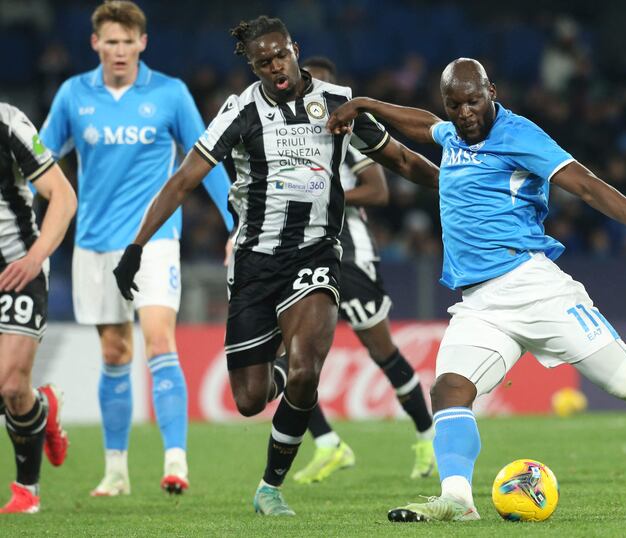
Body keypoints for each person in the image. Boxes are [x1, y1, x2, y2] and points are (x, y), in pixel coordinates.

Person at [327, 58, 626, 522]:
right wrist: (364, 104)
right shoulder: (453, 135)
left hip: (534, 287)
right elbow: (426, 128)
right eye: (455, 104)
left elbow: (586, 186)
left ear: (492, 92)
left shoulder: (518, 135)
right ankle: (458, 500)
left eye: (473, 101)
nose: (464, 112)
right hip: (479, 303)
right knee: (449, 390)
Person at [112, 16, 438, 516]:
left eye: (280, 56)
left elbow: (401, 161)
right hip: (255, 261)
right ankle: (283, 375)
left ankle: (270, 487)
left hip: (317, 254)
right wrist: (136, 246)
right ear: (253, 65)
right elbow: (183, 180)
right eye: (263, 63)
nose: (275, 68)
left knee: (309, 369)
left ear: (294, 49)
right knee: (250, 398)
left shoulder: (337, 103)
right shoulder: (240, 111)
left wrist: (459, 184)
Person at [40, 1, 234, 496]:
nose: (120, 50)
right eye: (112, 42)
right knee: (114, 350)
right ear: (96, 44)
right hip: (93, 244)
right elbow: (39, 159)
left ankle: (176, 462)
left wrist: (237, 222)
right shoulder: (72, 95)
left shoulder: (169, 94)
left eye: (129, 42)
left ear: (143, 43)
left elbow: (204, 161)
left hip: (153, 242)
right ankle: (116, 470)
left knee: (159, 338)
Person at [268, 56, 435, 485]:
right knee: (292, 358)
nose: (314, 95)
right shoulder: (282, 134)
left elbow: (379, 191)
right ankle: (327, 445)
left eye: (323, 86)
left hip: (348, 251)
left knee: (381, 351)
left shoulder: (348, 131)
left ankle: (428, 434)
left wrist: (324, 191)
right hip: (299, 252)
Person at [0, 102, 77, 513]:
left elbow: (62, 197)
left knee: (10, 386)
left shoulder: (8, 122)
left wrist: (34, 258)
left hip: (17, 268)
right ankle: (43, 404)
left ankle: (26, 491)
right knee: (11, 392)